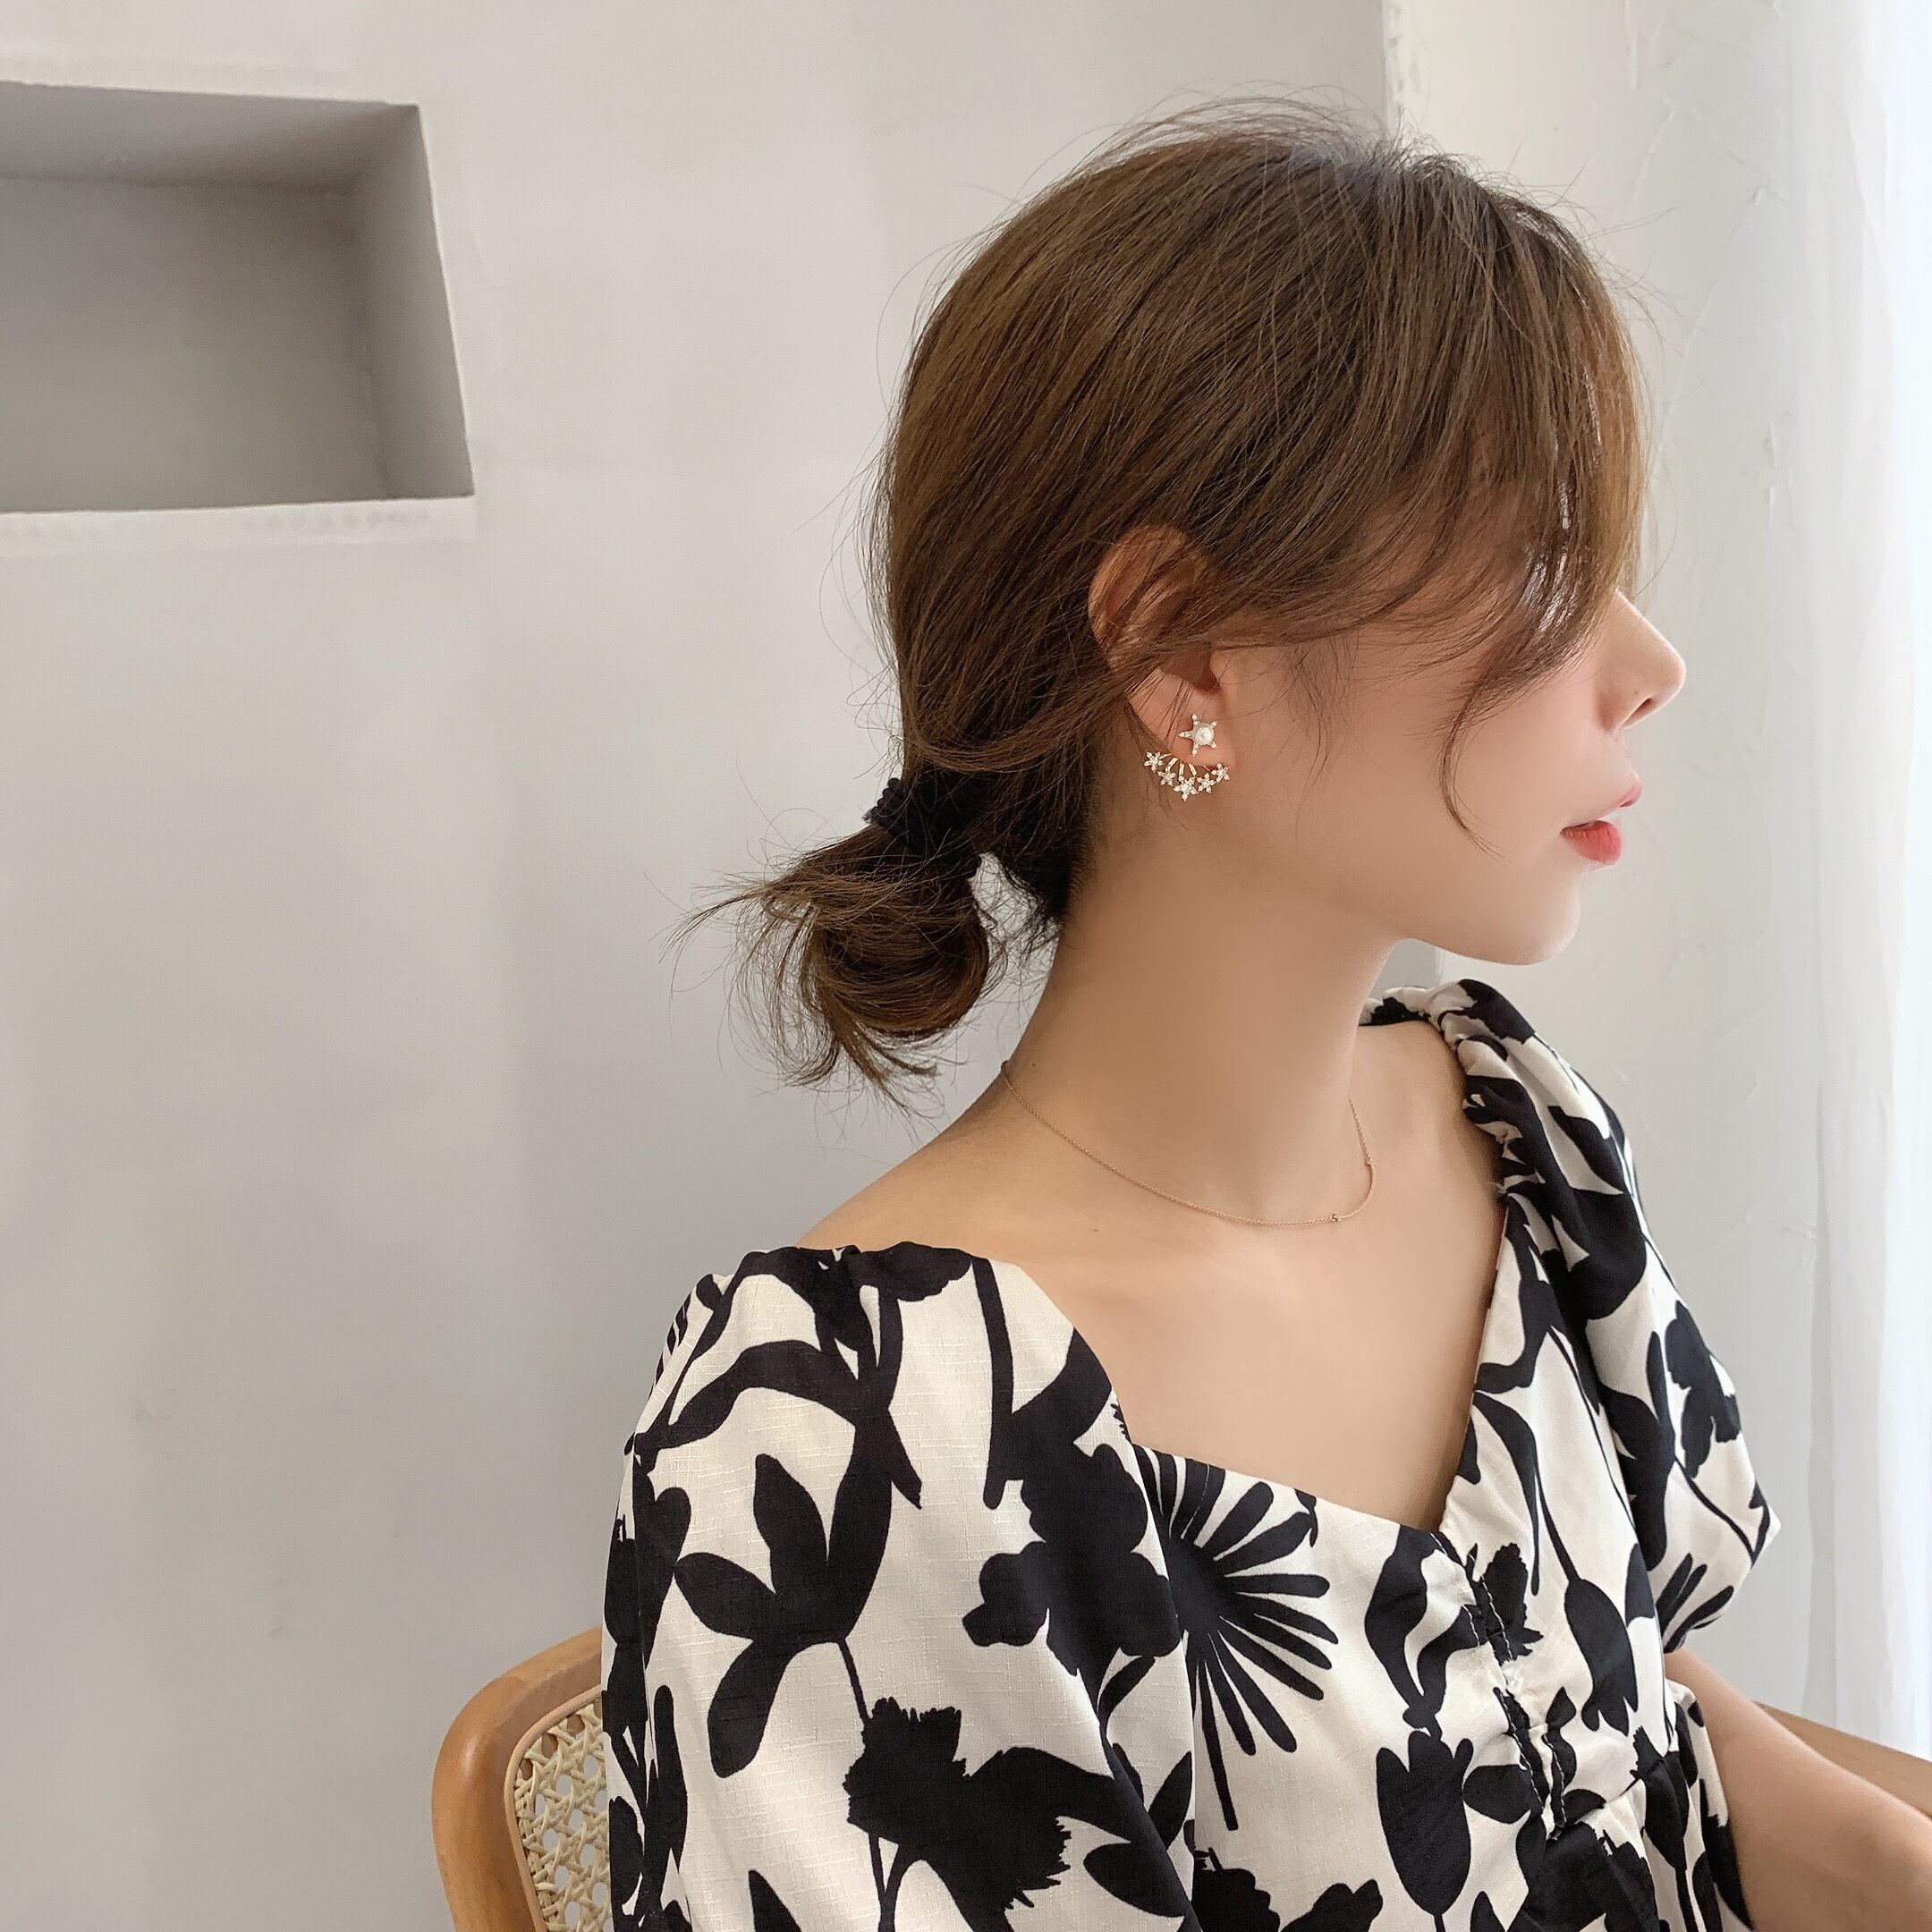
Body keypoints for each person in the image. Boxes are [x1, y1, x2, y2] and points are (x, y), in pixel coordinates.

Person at [599, 100, 1932, 1930]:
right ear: (1186, 652)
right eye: (1547, 566)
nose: (1649, 665)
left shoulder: (1515, 1138)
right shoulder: (846, 1430)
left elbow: (1631, 1756)